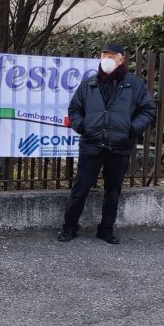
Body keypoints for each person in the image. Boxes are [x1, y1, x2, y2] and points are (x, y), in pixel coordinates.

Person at [59, 43, 156, 244]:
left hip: (119, 147)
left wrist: (131, 129)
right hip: (92, 145)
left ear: (121, 60)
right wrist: (82, 126)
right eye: (104, 55)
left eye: (111, 56)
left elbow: (148, 110)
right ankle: (69, 227)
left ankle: (106, 230)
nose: (106, 59)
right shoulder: (89, 84)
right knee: (80, 189)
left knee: (113, 191)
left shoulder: (134, 85)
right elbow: (75, 109)